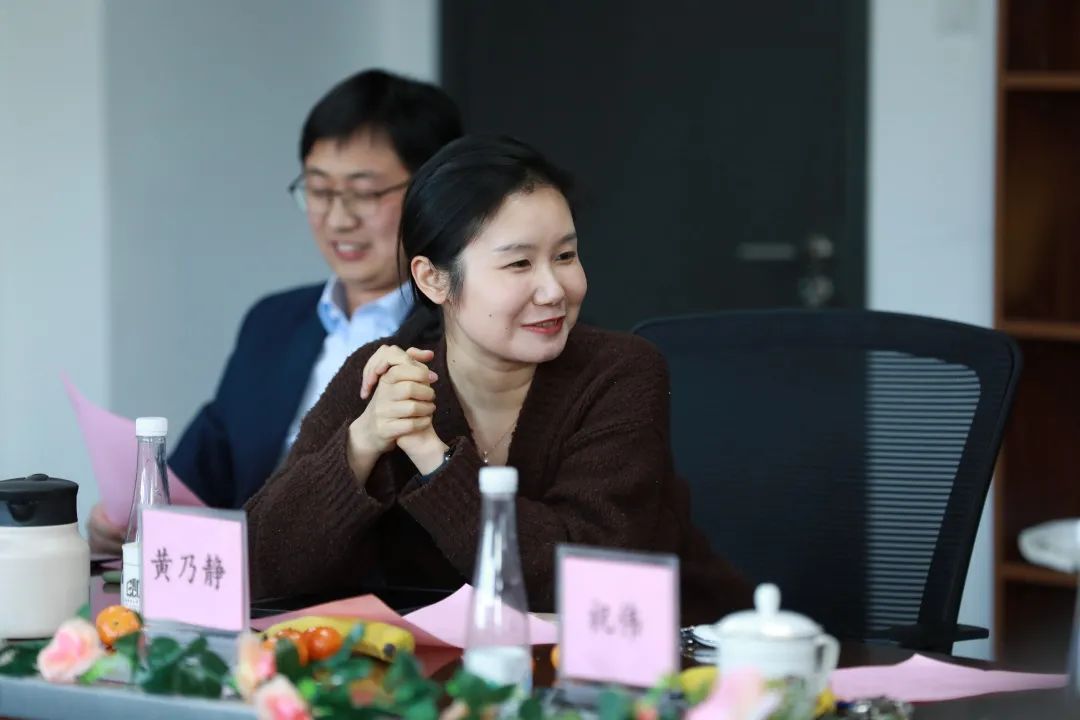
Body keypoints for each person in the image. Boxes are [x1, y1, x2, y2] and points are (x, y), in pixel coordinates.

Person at [245, 135, 751, 624]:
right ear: (433, 279)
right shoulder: (382, 374)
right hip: (442, 673)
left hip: (658, 661)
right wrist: (362, 443)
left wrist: (433, 458)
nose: (553, 290)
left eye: (565, 256)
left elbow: (580, 583)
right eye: (519, 263)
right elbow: (260, 569)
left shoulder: (620, 373)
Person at [88, 69, 463, 553]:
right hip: (253, 587)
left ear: (432, 194)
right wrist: (129, 519)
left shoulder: (463, 331)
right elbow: (199, 478)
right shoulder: (273, 323)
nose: (338, 219)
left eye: (365, 193)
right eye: (320, 191)